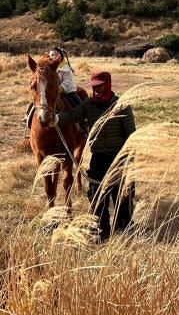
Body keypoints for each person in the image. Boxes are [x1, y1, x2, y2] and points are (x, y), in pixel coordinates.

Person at [52, 71, 136, 241]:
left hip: (119, 157)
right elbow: (72, 116)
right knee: (97, 194)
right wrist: (55, 119)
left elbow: (131, 134)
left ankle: (124, 229)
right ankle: (101, 230)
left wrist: (129, 157)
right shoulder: (88, 105)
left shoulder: (122, 106)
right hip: (98, 157)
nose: (96, 89)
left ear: (108, 85)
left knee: (122, 195)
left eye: (100, 86)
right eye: (94, 86)